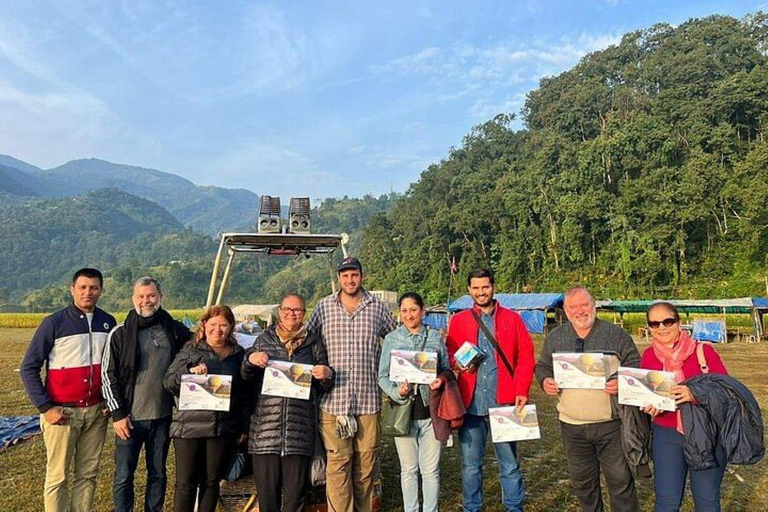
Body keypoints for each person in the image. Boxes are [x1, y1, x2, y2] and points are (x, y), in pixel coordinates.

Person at [535, 285, 642, 512]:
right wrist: (545, 381)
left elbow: (636, 366)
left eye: (585, 305)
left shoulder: (616, 335)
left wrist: (621, 381)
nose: (580, 311)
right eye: (574, 307)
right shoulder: (556, 337)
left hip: (610, 425)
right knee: (584, 485)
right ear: (565, 310)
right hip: (572, 427)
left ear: (594, 305)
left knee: (621, 483)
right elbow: (542, 366)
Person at [21, 268, 116, 512]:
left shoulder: (109, 322)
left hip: (96, 413)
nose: (88, 292)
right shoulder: (54, 323)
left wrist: (107, 400)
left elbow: (112, 367)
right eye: (83, 287)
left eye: (93, 287)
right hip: (62, 413)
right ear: (72, 289)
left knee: (88, 475)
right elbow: (29, 367)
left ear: (101, 290)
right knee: (58, 477)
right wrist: (45, 407)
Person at [307, 257, 398, 512]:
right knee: (338, 467)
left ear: (362, 275)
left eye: (354, 274)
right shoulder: (324, 308)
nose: (350, 280)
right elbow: (305, 340)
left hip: (368, 401)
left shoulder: (377, 307)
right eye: (345, 275)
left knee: (366, 466)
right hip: (333, 403)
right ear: (339, 278)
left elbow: (396, 341)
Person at [445, 268, 535, 512]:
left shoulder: (512, 319)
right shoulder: (459, 320)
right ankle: (472, 507)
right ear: (469, 290)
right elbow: (451, 354)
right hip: (471, 404)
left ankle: (514, 507)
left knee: (509, 464)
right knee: (471, 466)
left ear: (493, 287)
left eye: (485, 287)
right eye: (475, 287)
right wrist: (457, 364)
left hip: (503, 403)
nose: (480, 292)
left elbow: (526, 356)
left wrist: (522, 389)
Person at [101, 276, 193, 512]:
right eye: (141, 296)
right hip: (129, 418)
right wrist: (118, 414)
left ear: (160, 297)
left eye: (151, 296)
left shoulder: (172, 329)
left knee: (158, 474)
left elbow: (197, 348)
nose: (146, 301)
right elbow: (107, 375)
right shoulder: (120, 334)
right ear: (133, 299)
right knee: (124, 475)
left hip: (162, 416)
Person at [242, 293, 334, 512]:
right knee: (268, 501)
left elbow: (322, 386)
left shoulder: (313, 342)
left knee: (295, 500)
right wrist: (250, 360)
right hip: (265, 433)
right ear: (280, 312)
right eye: (287, 310)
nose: (292, 314)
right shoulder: (264, 339)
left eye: (297, 310)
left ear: (304, 314)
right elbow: (246, 377)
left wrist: (328, 374)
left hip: (299, 434)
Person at [640, 302, 728, 512]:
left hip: (705, 432)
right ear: (650, 328)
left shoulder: (703, 352)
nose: (661, 327)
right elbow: (648, 394)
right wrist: (650, 405)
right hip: (666, 433)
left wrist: (693, 394)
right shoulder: (648, 356)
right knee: (666, 502)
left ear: (679, 323)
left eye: (667, 321)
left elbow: (725, 392)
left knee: (707, 500)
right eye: (654, 323)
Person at [163, 305, 249, 512]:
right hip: (188, 429)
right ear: (204, 324)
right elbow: (168, 381)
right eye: (213, 324)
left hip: (222, 429)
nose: (217, 330)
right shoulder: (191, 350)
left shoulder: (238, 355)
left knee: (211, 482)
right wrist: (188, 371)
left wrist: (244, 426)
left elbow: (245, 393)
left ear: (230, 327)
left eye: (223, 325)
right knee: (185, 483)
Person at [378, 292, 449, 512]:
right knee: (408, 469)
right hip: (404, 413)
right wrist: (397, 391)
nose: (409, 315)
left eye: (413, 310)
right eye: (405, 311)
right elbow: (382, 375)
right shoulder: (392, 339)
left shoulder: (435, 337)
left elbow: (446, 368)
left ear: (423, 310)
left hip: (431, 412)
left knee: (430, 470)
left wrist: (441, 379)